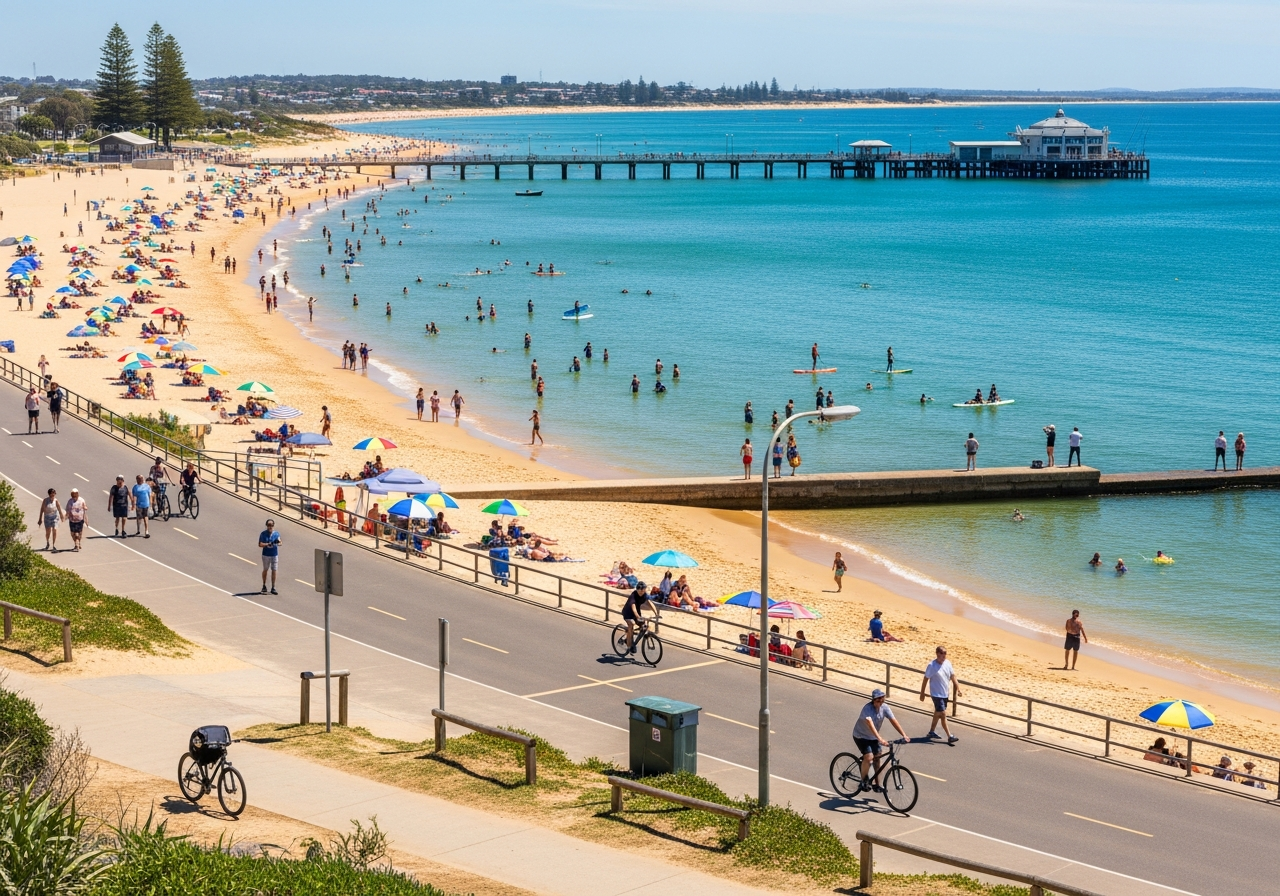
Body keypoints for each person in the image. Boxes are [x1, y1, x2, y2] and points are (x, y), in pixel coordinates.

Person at [852, 688, 908, 788]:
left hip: (873, 737)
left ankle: (877, 783)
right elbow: (871, 725)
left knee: (877, 757)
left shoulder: (885, 708)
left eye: (882, 700)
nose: (880, 703)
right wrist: (880, 739)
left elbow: (893, 720)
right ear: (873, 700)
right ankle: (863, 781)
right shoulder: (867, 709)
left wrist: (904, 734)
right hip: (861, 736)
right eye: (878, 701)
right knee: (869, 758)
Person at [920, 646, 960, 744]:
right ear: (937, 653)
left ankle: (931, 732)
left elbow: (952, 675)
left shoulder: (947, 663)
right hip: (936, 694)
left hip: (945, 693)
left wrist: (958, 687)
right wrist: (922, 693)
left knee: (938, 713)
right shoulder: (931, 665)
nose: (943, 656)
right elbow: (926, 679)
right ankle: (949, 736)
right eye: (941, 653)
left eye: (945, 653)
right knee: (942, 714)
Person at [622, 581, 655, 652]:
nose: (642, 593)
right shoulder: (633, 596)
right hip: (628, 613)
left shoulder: (644, 595)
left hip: (637, 613)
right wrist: (637, 616)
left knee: (644, 626)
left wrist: (656, 613)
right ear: (637, 590)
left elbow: (649, 603)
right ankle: (629, 645)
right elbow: (633, 607)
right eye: (641, 591)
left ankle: (630, 638)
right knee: (631, 624)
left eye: (643, 591)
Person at [259, 518, 281, 594]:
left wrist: (278, 542)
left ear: (273, 526)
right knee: (265, 569)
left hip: (274, 555)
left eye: (271, 525)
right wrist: (267, 544)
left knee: (274, 570)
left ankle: (273, 587)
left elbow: (280, 542)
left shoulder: (276, 534)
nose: (270, 527)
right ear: (266, 526)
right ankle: (264, 585)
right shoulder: (263, 534)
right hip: (266, 555)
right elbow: (260, 544)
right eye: (269, 525)